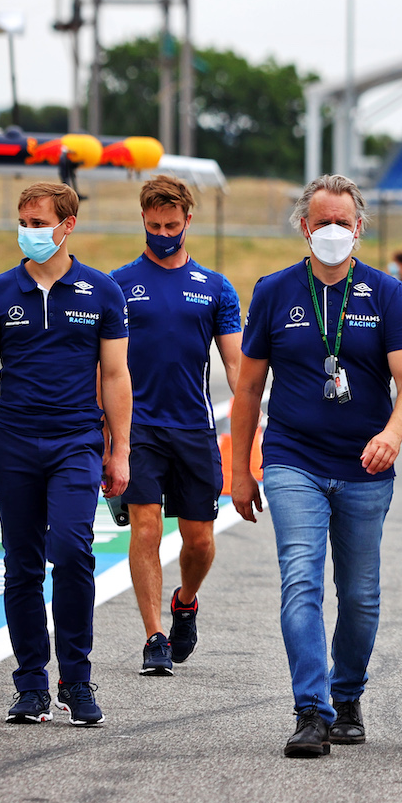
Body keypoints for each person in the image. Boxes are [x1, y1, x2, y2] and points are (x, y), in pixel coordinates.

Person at [231, 174, 402, 758]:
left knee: (360, 596)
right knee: (301, 579)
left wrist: (392, 434)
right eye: (322, 222)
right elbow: (247, 391)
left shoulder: (386, 293)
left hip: (366, 464)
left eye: (344, 222)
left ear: (360, 228)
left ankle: (347, 695)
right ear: (304, 226)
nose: (333, 231)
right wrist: (240, 469)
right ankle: (310, 710)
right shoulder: (274, 291)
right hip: (294, 459)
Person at [0, 182, 131, 726]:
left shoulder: (102, 291)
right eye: (23, 221)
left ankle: (75, 679)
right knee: (21, 563)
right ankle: (30, 683)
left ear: (67, 225)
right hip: (13, 441)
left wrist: (120, 451)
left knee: (73, 550)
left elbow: (118, 375)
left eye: (39, 222)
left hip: (76, 439)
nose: (29, 231)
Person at [112, 175, 242, 676]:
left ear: (188, 221)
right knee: (145, 527)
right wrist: (107, 434)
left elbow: (235, 366)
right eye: (153, 225)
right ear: (143, 221)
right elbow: (103, 366)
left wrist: (256, 417)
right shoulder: (119, 284)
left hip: (194, 428)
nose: (162, 233)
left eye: (171, 224)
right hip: (138, 427)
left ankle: (185, 601)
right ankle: (153, 636)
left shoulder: (215, 288)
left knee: (200, 539)